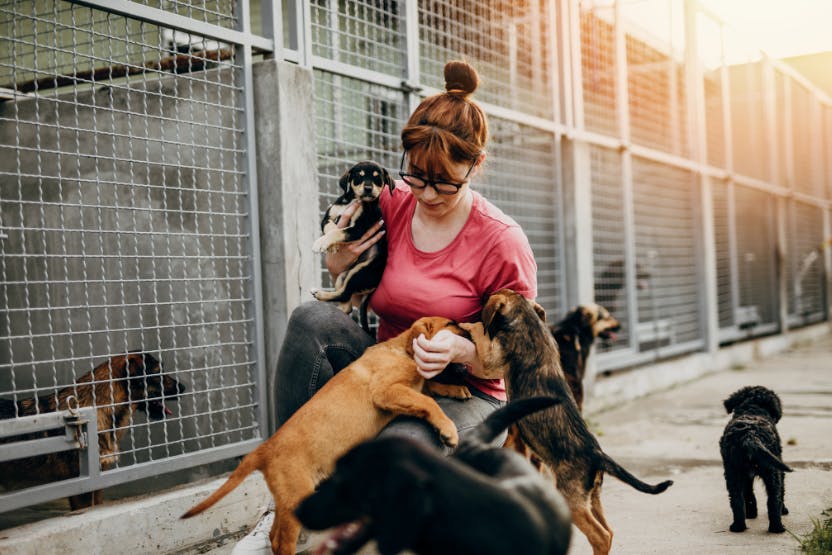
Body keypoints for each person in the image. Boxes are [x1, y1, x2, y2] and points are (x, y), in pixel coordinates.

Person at [232, 60, 538, 555]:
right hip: (383, 365)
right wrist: (340, 259)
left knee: (387, 461)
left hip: (464, 393)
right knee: (311, 319)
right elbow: (343, 270)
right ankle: (286, 509)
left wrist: (461, 348)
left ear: (475, 166)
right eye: (415, 177)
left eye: (445, 182)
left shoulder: (501, 241)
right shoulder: (392, 201)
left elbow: (519, 351)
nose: (426, 193)